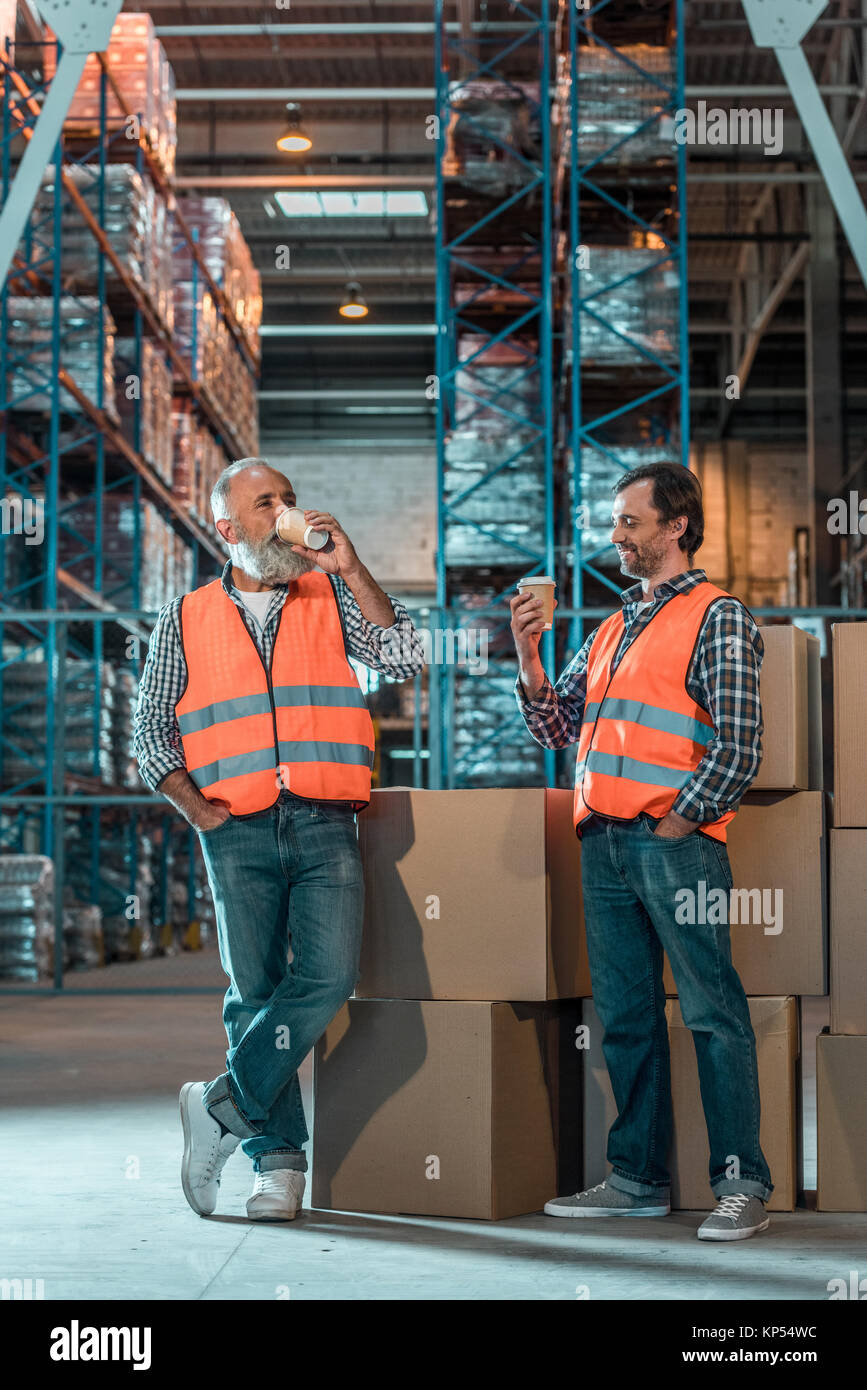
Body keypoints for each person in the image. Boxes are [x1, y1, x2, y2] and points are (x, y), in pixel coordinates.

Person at [133, 457, 425, 1221]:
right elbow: (150, 730)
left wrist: (353, 566)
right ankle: (278, 1166)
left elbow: (405, 655)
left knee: (326, 979)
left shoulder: (329, 591)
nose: (287, 511)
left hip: (325, 816)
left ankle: (222, 1103)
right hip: (234, 828)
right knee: (254, 992)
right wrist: (195, 807)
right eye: (267, 503)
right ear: (228, 529)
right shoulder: (188, 615)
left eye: (289, 498)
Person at [511, 462, 772, 1242]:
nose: (615, 535)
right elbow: (559, 728)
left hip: (674, 846)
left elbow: (740, 744)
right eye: (615, 522)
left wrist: (676, 822)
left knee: (712, 1013)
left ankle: (740, 1183)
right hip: (603, 847)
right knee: (625, 1016)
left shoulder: (718, 616)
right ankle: (636, 1180)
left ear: (675, 527)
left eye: (629, 521)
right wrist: (527, 653)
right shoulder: (610, 627)